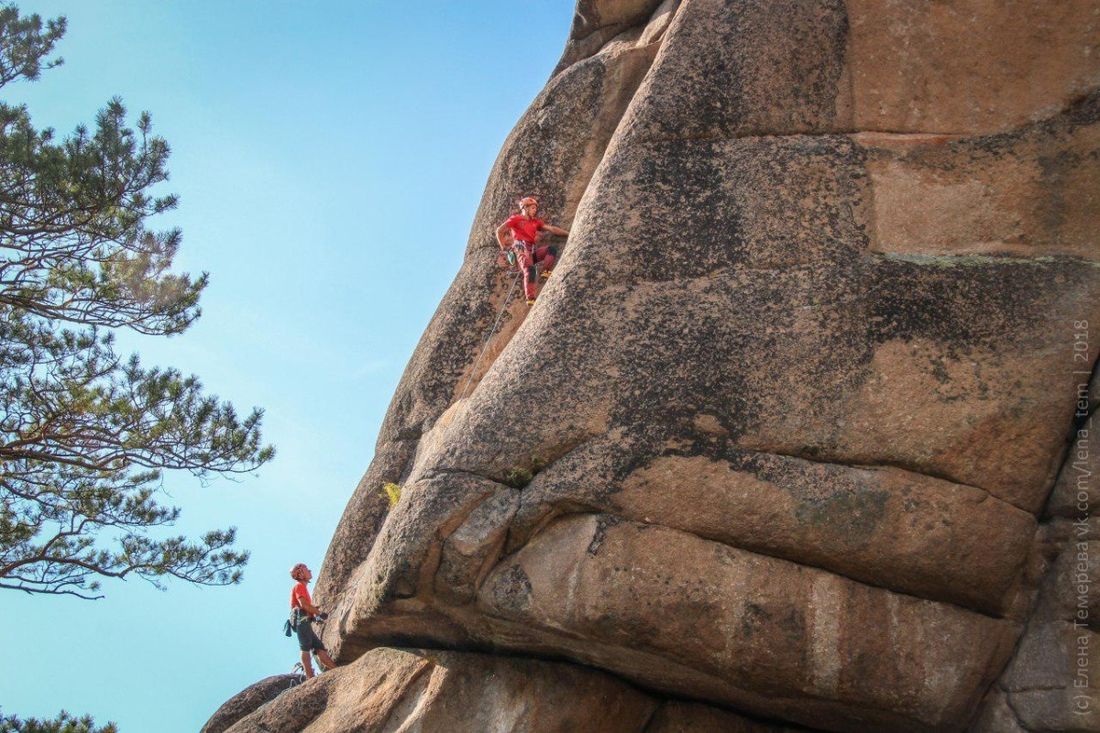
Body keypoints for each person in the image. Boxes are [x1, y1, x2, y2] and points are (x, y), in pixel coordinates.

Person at [495, 196, 569, 305]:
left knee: (551, 250)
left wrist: (568, 234)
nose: (535, 210)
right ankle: (530, 298)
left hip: (530, 250)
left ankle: (546, 271)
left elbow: (552, 229)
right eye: (533, 208)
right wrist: (505, 250)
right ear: (525, 208)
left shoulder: (535, 222)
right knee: (529, 269)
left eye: (535, 208)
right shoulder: (516, 218)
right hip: (520, 247)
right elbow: (499, 231)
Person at [289, 563, 336, 679]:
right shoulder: (299, 586)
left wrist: (314, 616)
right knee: (305, 646)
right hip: (301, 620)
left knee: (318, 647)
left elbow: (305, 607)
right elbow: (303, 605)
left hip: (305, 621)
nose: (310, 571)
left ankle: (337, 670)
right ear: (300, 574)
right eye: (306, 570)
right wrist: (319, 613)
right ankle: (310, 678)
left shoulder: (302, 587)